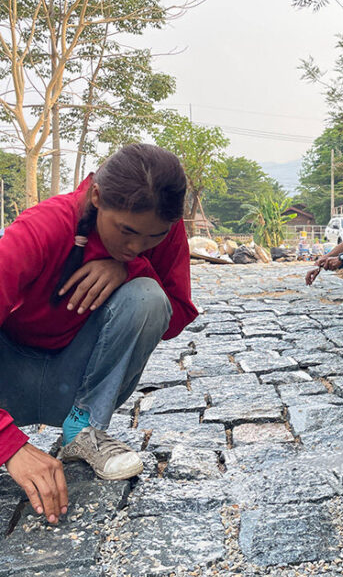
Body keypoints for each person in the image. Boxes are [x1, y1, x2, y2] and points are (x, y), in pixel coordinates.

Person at [0, 143, 198, 525]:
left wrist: (129, 269)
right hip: (9, 378)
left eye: (153, 237)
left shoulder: (161, 228)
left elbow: (175, 314)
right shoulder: (43, 227)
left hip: (70, 379)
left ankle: (83, 429)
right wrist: (9, 446)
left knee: (148, 297)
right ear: (96, 197)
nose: (136, 246)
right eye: (126, 231)